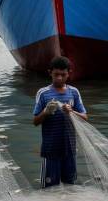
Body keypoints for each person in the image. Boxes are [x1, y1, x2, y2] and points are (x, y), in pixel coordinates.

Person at [33, 56, 88, 188]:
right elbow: (35, 121)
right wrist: (46, 112)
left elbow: (85, 117)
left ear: (69, 73)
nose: (59, 78)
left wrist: (71, 112)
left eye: (63, 75)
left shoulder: (73, 92)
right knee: (49, 190)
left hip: (70, 149)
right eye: (56, 74)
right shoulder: (43, 93)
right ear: (50, 73)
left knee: (70, 187)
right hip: (51, 150)